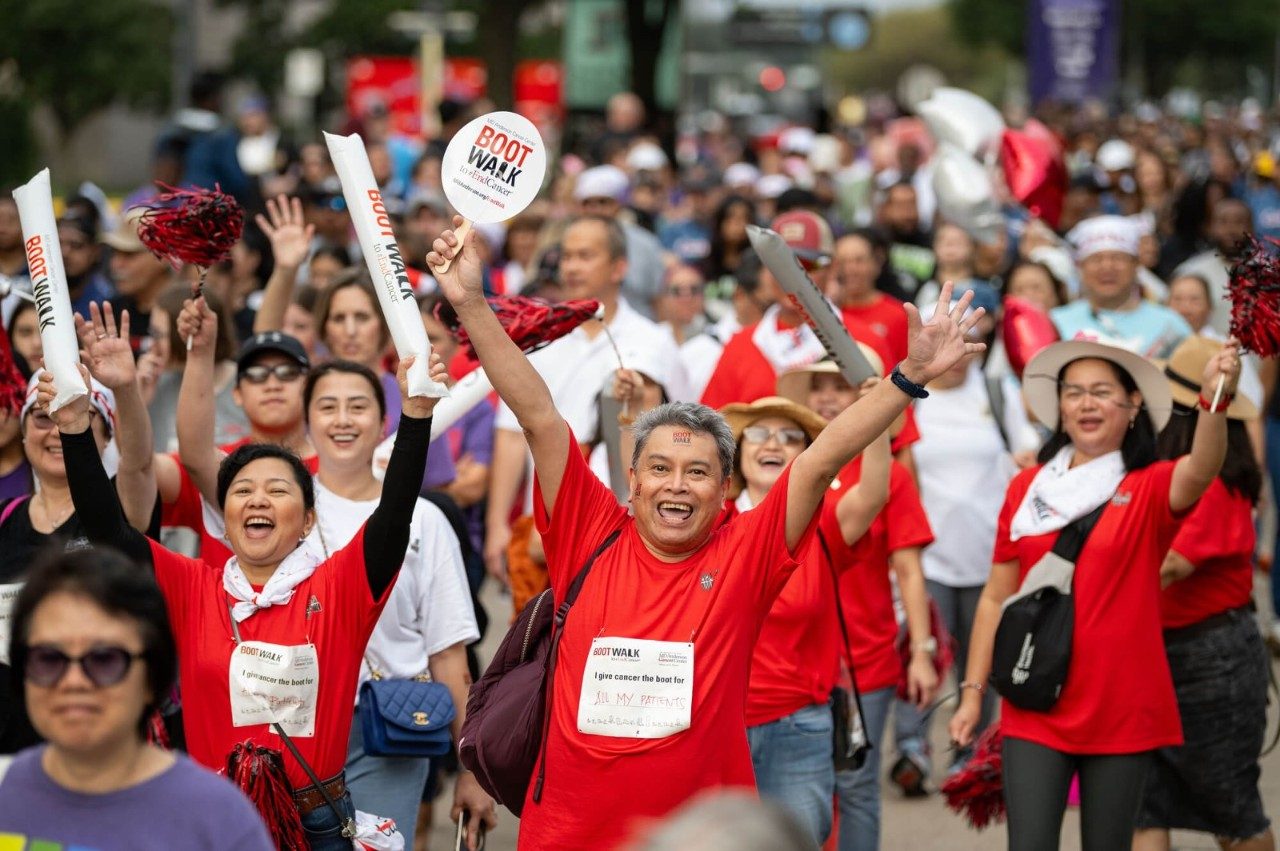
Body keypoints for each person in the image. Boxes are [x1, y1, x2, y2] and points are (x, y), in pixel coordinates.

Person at [426, 218, 983, 849]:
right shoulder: (590, 530)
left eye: (698, 473)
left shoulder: (746, 548)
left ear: (726, 491)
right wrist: (470, 302)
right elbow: (537, 415)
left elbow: (823, 461)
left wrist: (908, 377)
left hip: (704, 834)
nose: (676, 486)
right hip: (568, 830)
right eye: (659, 468)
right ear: (631, 480)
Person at [41, 304, 450, 848]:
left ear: (307, 521)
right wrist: (73, 429)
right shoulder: (190, 587)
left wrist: (416, 411)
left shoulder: (341, 587)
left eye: (278, 489)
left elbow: (395, 513)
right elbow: (108, 530)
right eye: (242, 491)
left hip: (318, 826)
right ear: (225, 520)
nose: (258, 498)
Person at [949, 337, 1241, 851]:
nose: (1086, 403)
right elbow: (997, 597)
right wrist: (974, 695)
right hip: (1034, 700)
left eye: (1102, 392)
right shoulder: (1026, 489)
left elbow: (1203, 466)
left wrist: (1214, 402)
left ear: (1132, 409)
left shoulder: (1150, 487)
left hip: (1122, 706)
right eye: (1074, 392)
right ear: (1058, 408)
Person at [290, 359, 494, 849]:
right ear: (307, 422)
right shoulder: (284, 509)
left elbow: (449, 654)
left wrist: (471, 770)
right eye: (328, 406)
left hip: (389, 729)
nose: (343, 420)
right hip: (295, 724)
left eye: (358, 406)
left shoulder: (425, 520)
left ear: (383, 421)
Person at [0, 547, 274, 849]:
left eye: (104, 659)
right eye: (49, 658)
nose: (73, 681)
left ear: (152, 675)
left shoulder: (220, 820)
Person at [727, 395, 889, 844]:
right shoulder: (708, 524)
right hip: (716, 724)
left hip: (798, 726)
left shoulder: (823, 528)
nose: (772, 444)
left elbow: (874, 493)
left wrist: (882, 400)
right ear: (738, 451)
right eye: (759, 433)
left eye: (790, 436)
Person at [1134, 337, 1273, 851]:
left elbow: (1166, 567)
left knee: (1230, 811)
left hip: (1209, 661)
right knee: (1143, 804)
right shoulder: (1165, 475)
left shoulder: (1214, 484)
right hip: (1158, 653)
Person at [1, 306, 159, 754]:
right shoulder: (3, 518)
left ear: (106, 435)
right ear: (24, 430)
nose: (56, 431)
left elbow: (141, 461)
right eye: (42, 417)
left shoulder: (120, 506)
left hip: (99, 734)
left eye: (78, 416)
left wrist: (125, 389)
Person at [1050, 216, 1191, 358]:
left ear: (1136, 265)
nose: (1107, 267)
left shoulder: (1169, 324)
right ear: (1081, 267)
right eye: (1096, 259)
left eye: (1118, 258)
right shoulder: (1056, 322)